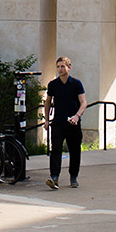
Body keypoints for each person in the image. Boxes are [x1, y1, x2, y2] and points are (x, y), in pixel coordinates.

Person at [43, 55, 87, 189]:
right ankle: (54, 177)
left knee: (74, 150)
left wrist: (77, 116)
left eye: (63, 66)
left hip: (73, 123)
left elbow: (83, 102)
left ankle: (74, 177)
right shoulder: (53, 84)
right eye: (58, 67)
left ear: (69, 67)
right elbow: (48, 102)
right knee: (55, 149)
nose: (60, 69)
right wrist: (46, 120)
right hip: (58, 122)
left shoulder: (76, 83)